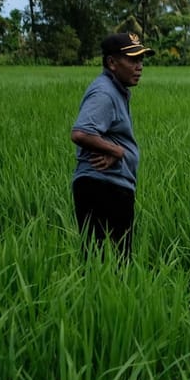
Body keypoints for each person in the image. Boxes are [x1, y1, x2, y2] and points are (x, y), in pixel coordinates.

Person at [71, 32, 154, 257]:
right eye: (133, 60)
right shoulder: (105, 93)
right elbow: (81, 133)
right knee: (115, 265)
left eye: (141, 60)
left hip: (107, 185)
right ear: (112, 63)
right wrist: (116, 150)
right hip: (104, 187)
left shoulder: (115, 90)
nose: (139, 67)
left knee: (104, 264)